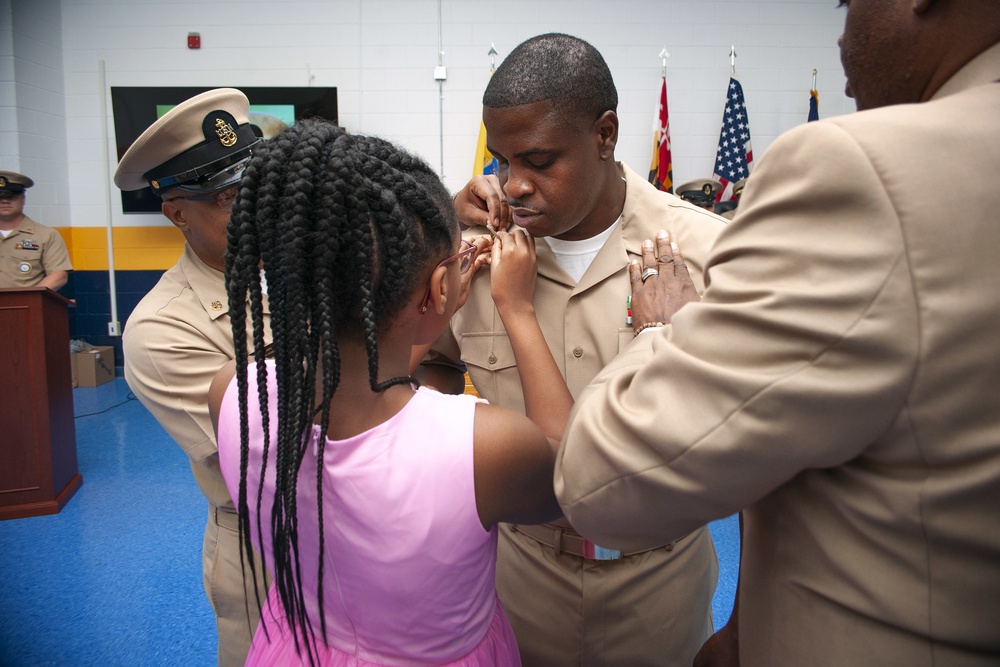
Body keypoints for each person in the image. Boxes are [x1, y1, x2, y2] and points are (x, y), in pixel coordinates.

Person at [555, 1, 1000, 665]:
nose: (843, 34)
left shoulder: (855, 176)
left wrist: (657, 333)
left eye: (849, 4)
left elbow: (601, 482)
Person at [419, 33, 726, 667]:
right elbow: (432, 364)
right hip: (518, 570)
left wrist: (748, 619)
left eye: (538, 160)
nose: (515, 185)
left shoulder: (710, 254)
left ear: (605, 134)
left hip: (660, 576)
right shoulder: (478, 255)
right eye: (502, 160)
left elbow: (771, 446)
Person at [208, 119, 562, 666]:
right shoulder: (484, 446)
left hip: (296, 647)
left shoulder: (234, 393)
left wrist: (427, 308)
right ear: (440, 289)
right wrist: (517, 309)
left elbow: (358, 377)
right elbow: (568, 475)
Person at [113, 88, 270, 667]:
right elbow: (277, 452)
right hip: (268, 546)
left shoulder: (302, 260)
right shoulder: (162, 329)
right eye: (233, 197)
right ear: (178, 211)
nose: (259, 208)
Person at [0, 170, 72, 290]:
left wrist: (28, 299)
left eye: (11, 196)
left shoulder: (46, 235)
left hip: (27, 307)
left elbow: (58, 276)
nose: (5, 201)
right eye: (0, 196)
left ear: (23, 199)